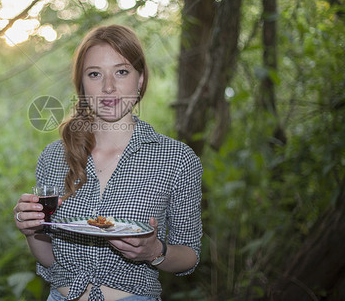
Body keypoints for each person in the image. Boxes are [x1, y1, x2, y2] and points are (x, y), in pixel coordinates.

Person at [13, 24, 203, 301]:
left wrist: (155, 252)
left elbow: (189, 256)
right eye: (94, 74)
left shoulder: (177, 159)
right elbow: (49, 260)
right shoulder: (54, 157)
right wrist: (31, 230)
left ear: (140, 79)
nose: (109, 87)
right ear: (82, 84)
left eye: (122, 71)